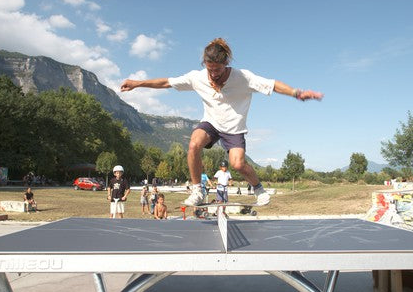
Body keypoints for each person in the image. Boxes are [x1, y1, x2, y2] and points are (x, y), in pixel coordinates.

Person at [120, 37, 323, 207]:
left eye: (218, 69)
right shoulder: (197, 77)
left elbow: (273, 85)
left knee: (238, 164)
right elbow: (166, 82)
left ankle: (258, 189)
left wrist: (296, 93)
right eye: (210, 69)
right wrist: (138, 83)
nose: (214, 74)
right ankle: (198, 190)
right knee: (193, 144)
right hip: (211, 123)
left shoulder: (243, 77)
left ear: (226, 63)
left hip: (234, 128)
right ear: (205, 65)